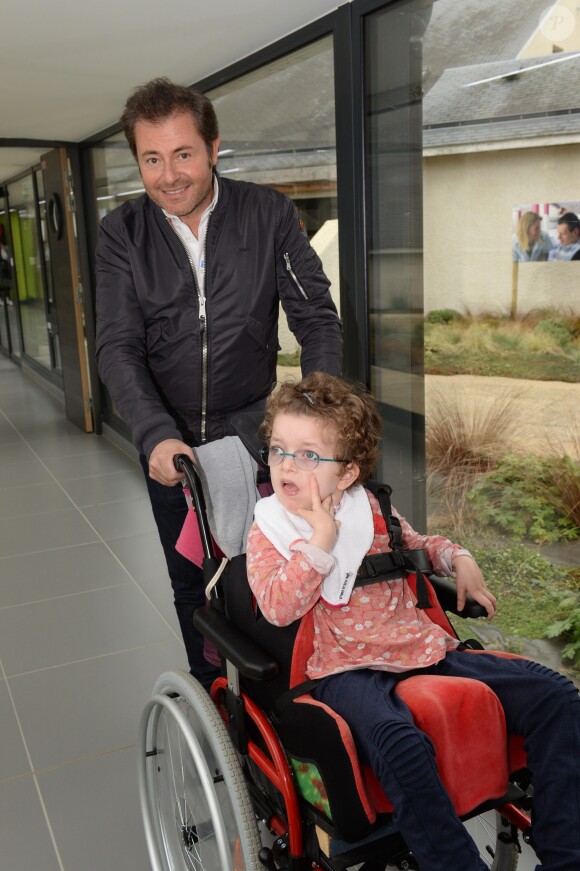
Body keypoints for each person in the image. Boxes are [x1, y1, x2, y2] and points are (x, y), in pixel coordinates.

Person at [246, 372, 580, 871]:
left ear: (347, 474)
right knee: (401, 744)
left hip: (422, 647)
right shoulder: (270, 529)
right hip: (344, 669)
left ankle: (565, 858)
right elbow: (277, 606)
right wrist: (319, 539)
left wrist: (458, 557)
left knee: (558, 697)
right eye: (278, 450)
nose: (287, 466)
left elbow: (419, 545)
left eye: (309, 455)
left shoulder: (372, 509)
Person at [94, 78, 342, 688]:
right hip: (169, 444)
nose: (168, 174)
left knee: (273, 569)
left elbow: (315, 317)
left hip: (253, 438)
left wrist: (317, 420)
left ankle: (279, 697)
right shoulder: (121, 232)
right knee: (192, 585)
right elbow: (117, 345)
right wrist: (153, 434)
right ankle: (212, 704)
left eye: (183, 154)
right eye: (152, 158)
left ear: (213, 148)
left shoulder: (268, 213)